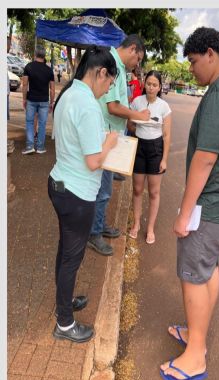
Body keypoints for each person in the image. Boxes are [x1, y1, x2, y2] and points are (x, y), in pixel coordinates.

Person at [160, 27, 219, 380]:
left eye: (194, 62)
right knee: (208, 268)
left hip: (212, 206)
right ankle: (196, 331)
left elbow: (205, 158)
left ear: (210, 54)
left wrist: (184, 213)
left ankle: (195, 354)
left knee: (192, 273)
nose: (192, 69)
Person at [48, 46, 119, 342]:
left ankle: (63, 304)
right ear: (101, 72)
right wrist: (111, 142)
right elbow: (94, 161)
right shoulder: (88, 104)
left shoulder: (68, 95)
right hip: (77, 193)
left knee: (66, 252)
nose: (108, 90)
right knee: (71, 258)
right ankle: (64, 324)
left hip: (60, 183)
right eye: (110, 83)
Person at [87, 34, 150, 257]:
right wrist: (138, 116)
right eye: (139, 59)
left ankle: (100, 224)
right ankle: (94, 234)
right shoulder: (112, 64)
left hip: (111, 134)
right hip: (105, 134)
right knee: (102, 189)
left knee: (105, 188)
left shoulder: (118, 66)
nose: (137, 64)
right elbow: (113, 106)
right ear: (132, 49)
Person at [126, 70, 172, 245]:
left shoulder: (164, 107)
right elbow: (129, 125)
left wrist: (164, 159)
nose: (151, 87)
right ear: (144, 83)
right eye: (149, 83)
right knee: (137, 189)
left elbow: (167, 135)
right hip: (139, 146)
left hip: (155, 149)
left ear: (160, 87)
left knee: (154, 192)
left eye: (155, 85)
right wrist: (136, 120)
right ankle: (136, 223)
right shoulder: (137, 102)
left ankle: (150, 227)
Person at [22, 45, 55, 154]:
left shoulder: (28, 67)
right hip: (44, 101)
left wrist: (24, 99)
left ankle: (30, 146)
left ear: (35, 54)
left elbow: (25, 85)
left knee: (30, 122)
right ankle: (40, 148)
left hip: (31, 100)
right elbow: (52, 89)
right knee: (42, 124)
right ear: (44, 55)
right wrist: (52, 102)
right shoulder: (49, 70)